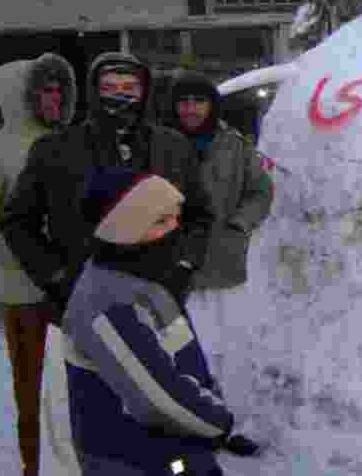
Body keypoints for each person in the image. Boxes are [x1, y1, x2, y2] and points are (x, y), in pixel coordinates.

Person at [1, 51, 214, 476]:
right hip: (82, 311)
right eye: (110, 88)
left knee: (171, 403)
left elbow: (199, 215)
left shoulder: (173, 147)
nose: (120, 97)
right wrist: (57, 278)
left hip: (159, 307)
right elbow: (18, 221)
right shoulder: (56, 149)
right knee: (94, 421)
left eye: (130, 88)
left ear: (145, 91)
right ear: (94, 92)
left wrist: (184, 267)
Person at [65, 166, 257, 475]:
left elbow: (180, 351)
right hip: (127, 457)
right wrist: (217, 421)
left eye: (176, 218)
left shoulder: (146, 273)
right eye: (161, 221)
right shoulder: (105, 303)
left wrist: (210, 420)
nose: (175, 230)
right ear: (125, 230)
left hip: (176, 437)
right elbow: (160, 398)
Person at [0, 53, 76, 476]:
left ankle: (66, 459)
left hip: (65, 289)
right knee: (30, 386)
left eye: (58, 89)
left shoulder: (67, 141)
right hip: (21, 292)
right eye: (43, 89)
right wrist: (30, 255)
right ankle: (33, 464)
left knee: (65, 384)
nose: (52, 98)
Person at [168, 71, 273, 385]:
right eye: (183, 102)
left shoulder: (234, 145)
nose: (191, 109)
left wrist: (239, 225)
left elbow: (261, 192)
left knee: (229, 348)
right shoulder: (160, 143)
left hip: (223, 262)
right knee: (183, 346)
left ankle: (231, 413)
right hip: (175, 263)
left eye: (198, 101)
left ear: (211, 105)